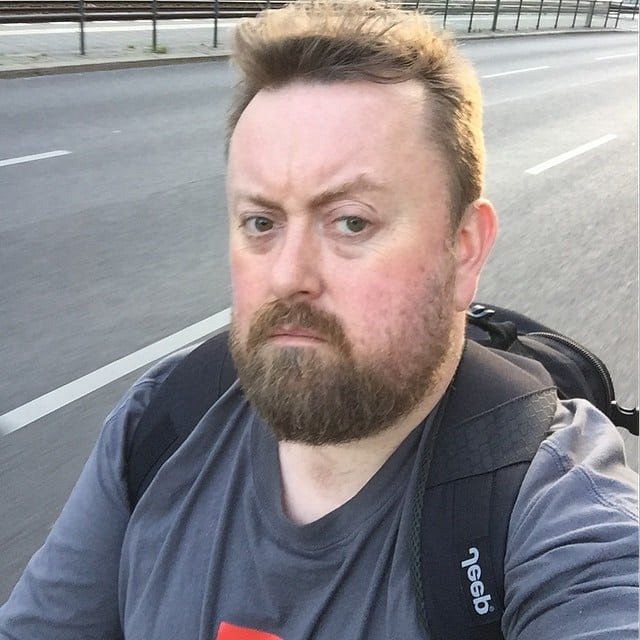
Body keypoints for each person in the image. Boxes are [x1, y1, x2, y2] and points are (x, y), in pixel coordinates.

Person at [0, 1, 637, 638]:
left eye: (351, 221)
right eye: (261, 222)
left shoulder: (553, 505)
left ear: (464, 249)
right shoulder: (165, 419)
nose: (287, 276)